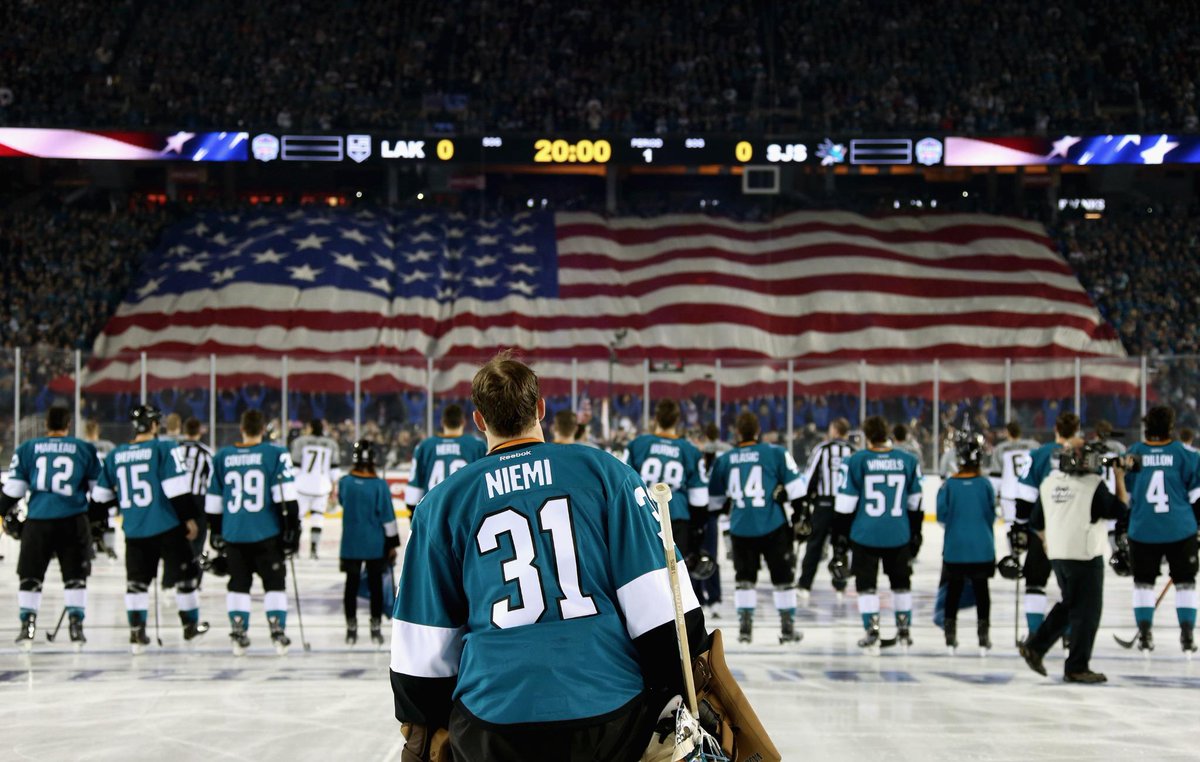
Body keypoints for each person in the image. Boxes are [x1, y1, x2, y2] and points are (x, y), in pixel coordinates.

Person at [391, 350, 706, 762]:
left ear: (480, 421)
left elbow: (421, 652)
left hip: (493, 721)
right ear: (541, 408)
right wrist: (676, 691)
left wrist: (429, 724)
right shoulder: (606, 473)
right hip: (608, 712)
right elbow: (667, 620)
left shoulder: (441, 504)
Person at [89, 405, 209, 652]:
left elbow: (101, 497)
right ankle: (190, 625)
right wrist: (189, 518)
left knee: (136, 582)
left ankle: (137, 632)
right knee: (186, 575)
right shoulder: (164, 447)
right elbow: (175, 486)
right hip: (166, 525)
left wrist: (96, 522)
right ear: (154, 425)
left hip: (134, 529)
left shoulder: (116, 455)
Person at [1020, 443, 1130, 682]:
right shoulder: (1092, 485)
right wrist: (1120, 479)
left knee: (1070, 604)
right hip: (1085, 554)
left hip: (1058, 553)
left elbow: (1036, 522)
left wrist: (1047, 542)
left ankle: (1036, 647)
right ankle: (1076, 666)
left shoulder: (1049, 483)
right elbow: (1120, 510)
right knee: (1087, 612)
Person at [1, 405, 102, 650]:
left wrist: (3, 512)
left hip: (39, 520)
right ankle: (76, 625)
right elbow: (98, 493)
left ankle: (28, 626)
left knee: (30, 575)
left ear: (47, 424)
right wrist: (97, 522)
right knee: (76, 576)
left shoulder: (27, 448)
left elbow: (13, 491)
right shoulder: (84, 448)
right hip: (73, 519)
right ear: (69, 425)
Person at [205, 409, 300, 655]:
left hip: (234, 533)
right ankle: (277, 631)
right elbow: (286, 497)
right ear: (263, 429)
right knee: (275, 585)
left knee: (238, 584)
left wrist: (215, 531)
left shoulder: (223, 457)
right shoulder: (276, 454)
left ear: (242, 428)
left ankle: (238, 633)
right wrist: (292, 531)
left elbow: (213, 500)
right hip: (267, 533)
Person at [708, 411, 807, 644]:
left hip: (741, 526)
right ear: (758, 431)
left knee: (744, 579)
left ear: (737, 433)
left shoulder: (725, 459)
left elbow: (714, 502)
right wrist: (801, 516)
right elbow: (797, 491)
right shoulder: (776, 453)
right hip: (774, 525)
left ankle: (745, 628)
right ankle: (787, 627)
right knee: (783, 579)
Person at [833, 415, 924, 650]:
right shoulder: (907, 460)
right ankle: (904, 629)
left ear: (866, 435)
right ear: (887, 433)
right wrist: (916, 533)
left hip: (865, 533)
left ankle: (872, 630)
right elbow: (916, 502)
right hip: (898, 532)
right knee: (901, 583)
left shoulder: (857, 460)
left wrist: (840, 539)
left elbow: (845, 504)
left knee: (866, 586)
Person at [1122, 405, 1200, 654]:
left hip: (1143, 529)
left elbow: (1126, 495)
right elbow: (1197, 496)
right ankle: (1187, 636)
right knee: (1186, 583)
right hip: (1180, 529)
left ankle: (1145, 634)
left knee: (1143, 583)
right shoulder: (1185, 454)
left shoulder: (1133, 454)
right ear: (1170, 427)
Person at [1014, 411, 1081, 640]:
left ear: (1056, 429)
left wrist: (1020, 527)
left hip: (1041, 530)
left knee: (1035, 583)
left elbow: (1024, 498)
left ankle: (1034, 633)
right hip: (1073, 531)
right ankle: (1070, 634)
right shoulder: (1082, 454)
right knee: (1071, 587)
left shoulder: (1038, 454)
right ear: (1077, 430)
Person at [936, 432, 996, 653]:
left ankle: (950, 635)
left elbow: (942, 516)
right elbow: (991, 514)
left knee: (953, 590)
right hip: (982, 547)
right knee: (982, 591)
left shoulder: (949, 486)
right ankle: (983, 636)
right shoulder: (985, 484)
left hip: (955, 548)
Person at [626, 399, 708, 557]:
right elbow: (699, 497)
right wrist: (697, 527)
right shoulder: (690, 450)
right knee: (675, 573)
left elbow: (623, 483)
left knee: (646, 570)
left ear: (655, 418)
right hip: (677, 516)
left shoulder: (636, 445)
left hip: (644, 515)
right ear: (677, 420)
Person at [339, 439, 399, 647]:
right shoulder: (380, 485)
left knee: (351, 585)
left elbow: (341, 501)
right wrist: (392, 544)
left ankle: (351, 627)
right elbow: (388, 518)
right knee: (375, 587)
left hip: (351, 543)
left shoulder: (345, 482)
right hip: (375, 543)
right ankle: (375, 627)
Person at [797, 417, 855, 604]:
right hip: (846, 507)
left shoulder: (822, 449)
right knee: (841, 546)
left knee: (814, 545)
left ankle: (805, 585)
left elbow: (810, 477)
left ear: (835, 430)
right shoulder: (853, 452)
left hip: (824, 505)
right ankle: (840, 584)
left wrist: (805, 505)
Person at [403, 403, 487, 512]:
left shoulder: (425, 446)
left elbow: (412, 496)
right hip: (466, 512)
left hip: (433, 511)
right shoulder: (477, 445)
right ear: (463, 422)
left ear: (442, 422)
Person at [289, 418, 340, 559]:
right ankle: (313, 550)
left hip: (302, 486)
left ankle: (295, 549)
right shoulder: (331, 444)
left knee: (297, 519)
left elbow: (295, 468)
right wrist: (333, 489)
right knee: (317, 519)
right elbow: (334, 471)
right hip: (322, 487)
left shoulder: (300, 442)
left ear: (310, 427)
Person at [175, 417, 215, 563]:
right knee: (197, 541)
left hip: (176, 499)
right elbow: (212, 479)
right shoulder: (205, 452)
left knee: (177, 540)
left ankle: (177, 575)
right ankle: (194, 577)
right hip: (198, 500)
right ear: (199, 432)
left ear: (184, 431)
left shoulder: (174, 450)